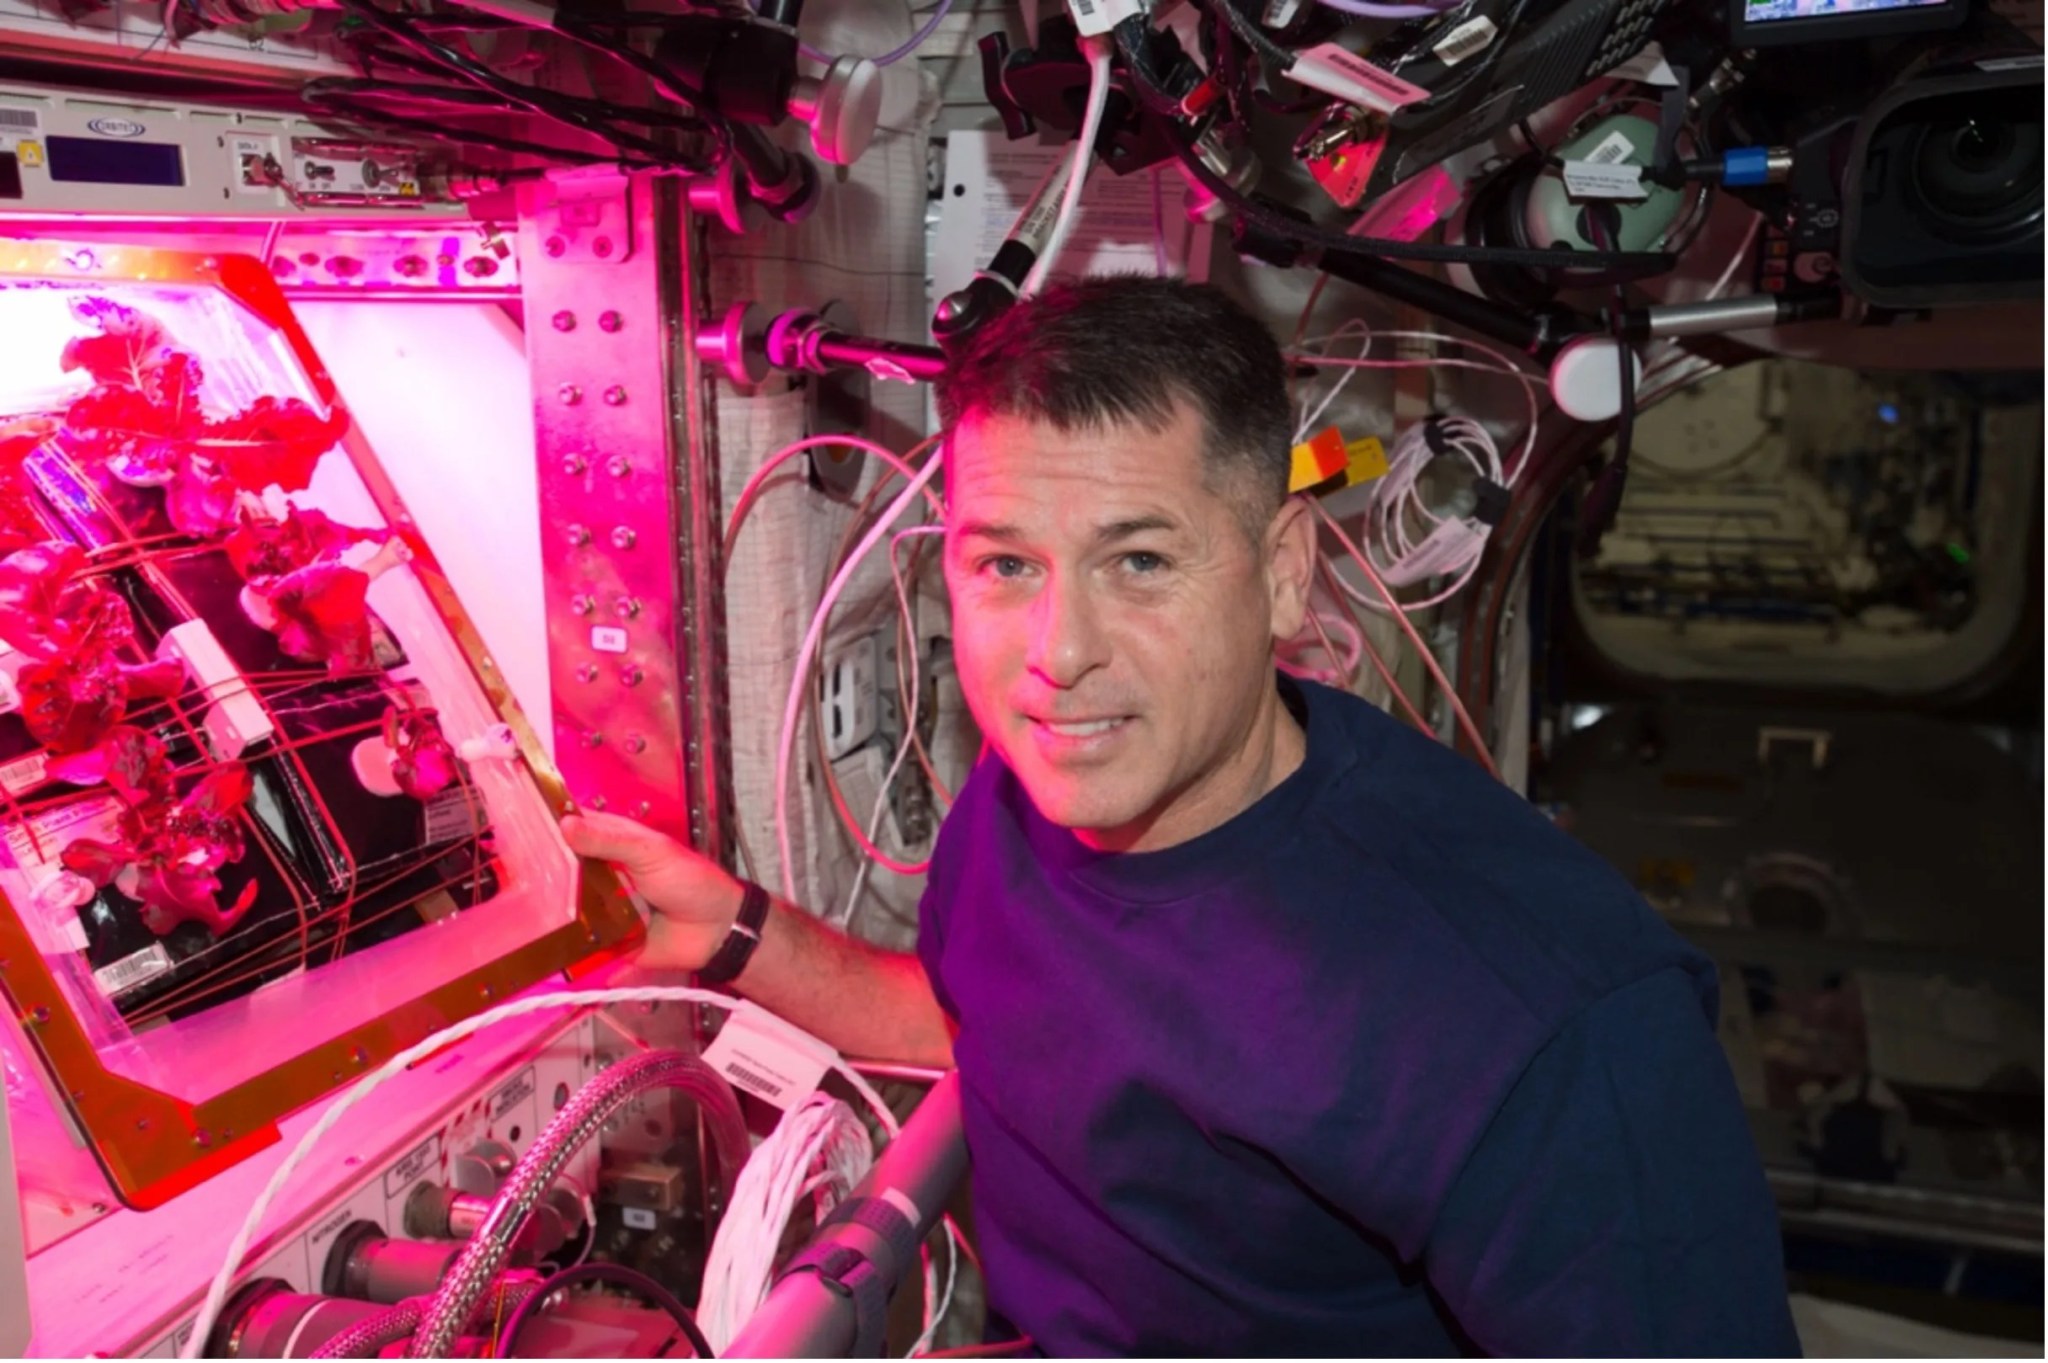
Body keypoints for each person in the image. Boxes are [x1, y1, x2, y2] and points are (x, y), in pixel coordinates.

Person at [564, 276, 1802, 1357]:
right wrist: (737, 935)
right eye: (1006, 566)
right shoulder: (1032, 794)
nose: (1059, 655)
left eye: (1139, 562)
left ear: (1279, 572)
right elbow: (1003, 1025)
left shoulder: (1543, 1026)